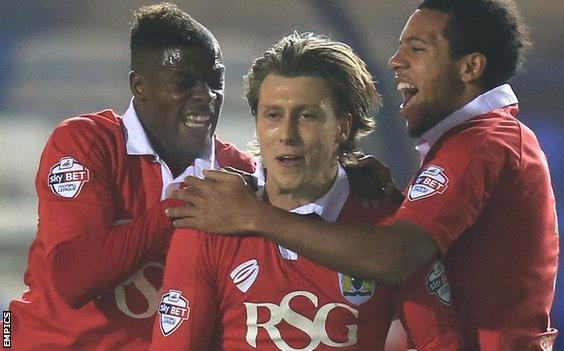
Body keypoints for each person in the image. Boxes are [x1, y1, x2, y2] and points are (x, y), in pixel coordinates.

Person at [168, 0, 560, 349]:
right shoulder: (208, 228)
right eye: (273, 115)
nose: (396, 61)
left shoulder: (477, 146)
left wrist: (252, 215)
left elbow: (397, 256)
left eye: (417, 49)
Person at [151, 32, 462, 350]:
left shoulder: (389, 232)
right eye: (273, 115)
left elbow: (442, 341)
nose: (287, 134)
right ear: (257, 123)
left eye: (307, 116)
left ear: (342, 127)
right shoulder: (209, 223)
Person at [8, 3, 255, 350]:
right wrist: (180, 206)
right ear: (139, 86)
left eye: (216, 81)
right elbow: (74, 279)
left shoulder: (241, 172)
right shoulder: (86, 142)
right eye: (183, 83)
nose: (206, 96)